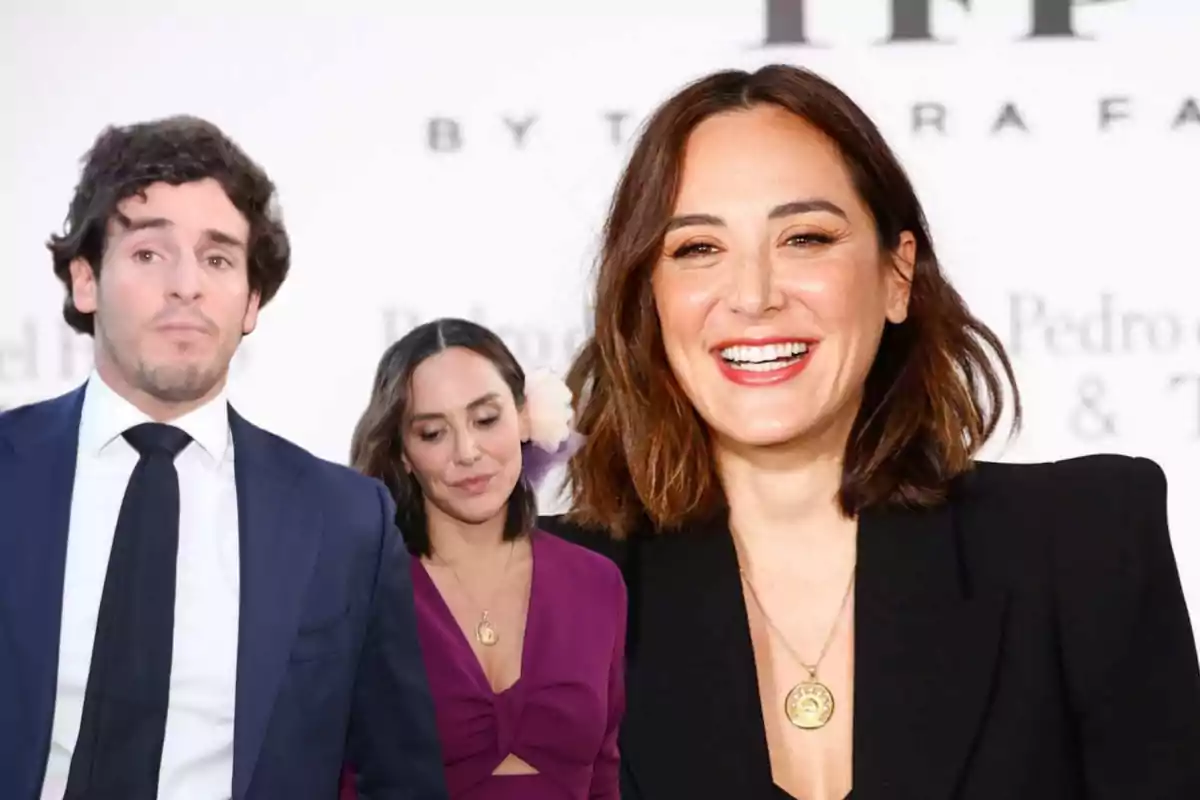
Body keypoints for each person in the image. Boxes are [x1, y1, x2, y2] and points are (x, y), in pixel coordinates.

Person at [540, 64, 1200, 800]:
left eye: (806, 238)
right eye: (698, 248)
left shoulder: (1086, 542)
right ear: (648, 298)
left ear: (897, 275)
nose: (754, 296)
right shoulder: (532, 594)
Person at [0, 116, 447, 800]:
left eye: (218, 258)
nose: (188, 285)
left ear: (252, 302)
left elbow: (401, 775)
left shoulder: (345, 521)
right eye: (150, 253)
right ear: (85, 281)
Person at [348, 317, 626, 800]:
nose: (468, 452)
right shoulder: (366, 591)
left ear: (524, 417)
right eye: (433, 433)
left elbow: (605, 778)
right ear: (404, 453)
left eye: (485, 419)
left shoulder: (595, 583)